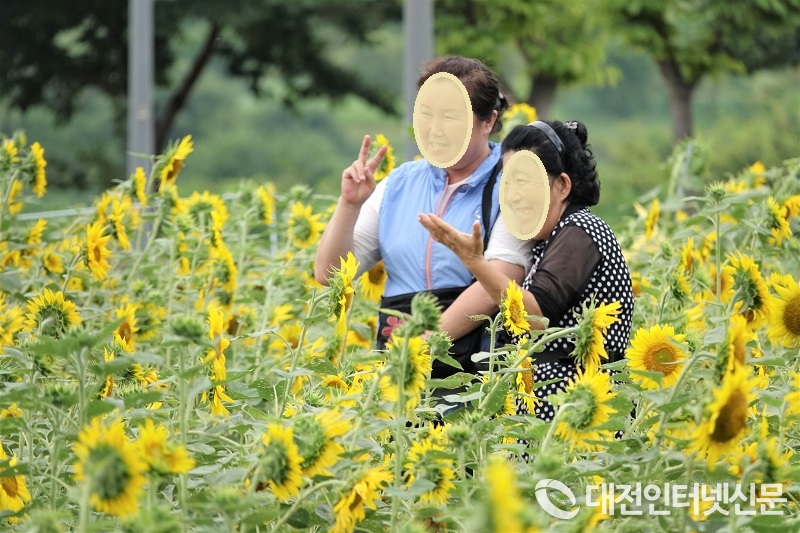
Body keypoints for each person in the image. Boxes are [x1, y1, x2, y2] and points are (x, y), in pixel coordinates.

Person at [314, 56, 533, 379]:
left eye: (450, 117)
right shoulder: (398, 183)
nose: (435, 129)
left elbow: (502, 279)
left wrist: (424, 344)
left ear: (488, 121)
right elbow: (329, 273)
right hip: (398, 354)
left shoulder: (513, 182)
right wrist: (349, 205)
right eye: (426, 115)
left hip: (473, 368)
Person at [419, 119, 635, 422]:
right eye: (507, 183)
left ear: (562, 185)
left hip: (580, 412)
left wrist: (475, 262)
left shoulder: (581, 229)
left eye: (524, 181)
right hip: (552, 412)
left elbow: (535, 316)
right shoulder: (550, 240)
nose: (513, 195)